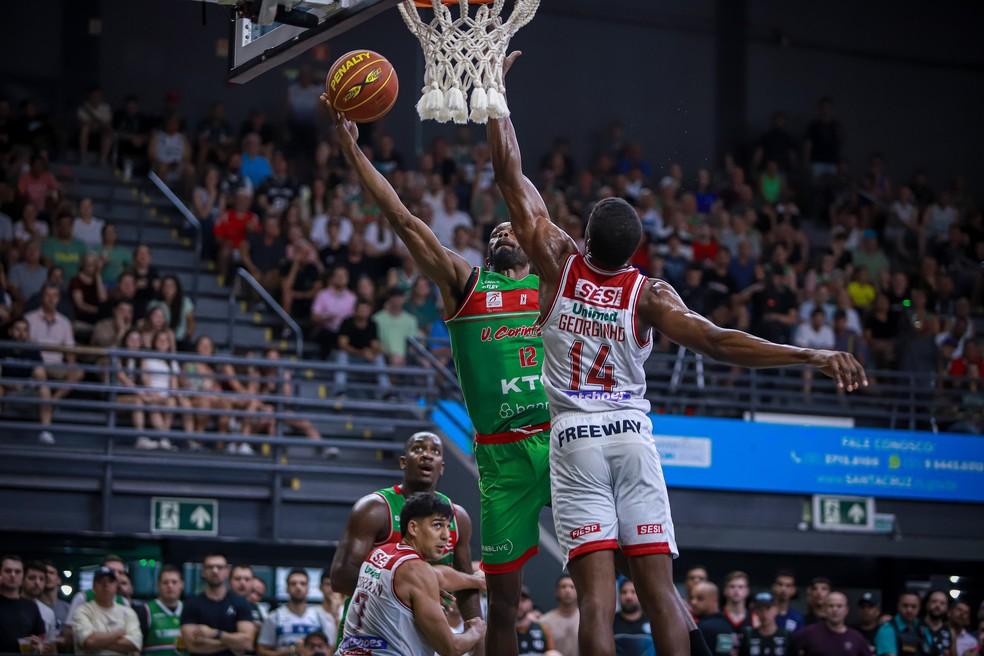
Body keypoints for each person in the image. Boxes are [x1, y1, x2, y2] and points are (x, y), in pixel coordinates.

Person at [487, 52, 865, 656]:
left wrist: (497, 100)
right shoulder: (650, 295)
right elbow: (719, 341)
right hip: (631, 434)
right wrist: (809, 355)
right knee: (660, 593)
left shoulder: (558, 264)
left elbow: (512, 179)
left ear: (585, 237)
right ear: (635, 250)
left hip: (574, 437)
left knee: (596, 603)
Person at [330, 98, 551, 656]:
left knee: (611, 559)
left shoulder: (553, 286)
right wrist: (354, 152)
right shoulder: (467, 283)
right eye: (495, 231)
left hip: (560, 439)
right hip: (501, 454)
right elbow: (404, 220)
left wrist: (501, 106)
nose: (503, 232)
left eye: (513, 228)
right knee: (503, 600)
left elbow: (521, 189)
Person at [329, 433, 482, 645]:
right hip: (368, 636)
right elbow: (340, 578)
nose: (427, 455)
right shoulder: (374, 509)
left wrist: (478, 635)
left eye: (435, 451)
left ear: (442, 467)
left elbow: (465, 585)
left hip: (419, 637)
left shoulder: (458, 518)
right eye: (418, 449)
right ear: (403, 461)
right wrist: (416, 594)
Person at [335, 492, 486, 656]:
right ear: (413, 528)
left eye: (447, 527)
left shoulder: (381, 553)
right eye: (437, 525)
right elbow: (451, 648)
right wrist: (476, 630)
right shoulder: (417, 572)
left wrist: (475, 581)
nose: (446, 536)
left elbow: (440, 575)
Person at [179, 554, 256, 656]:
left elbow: (247, 643)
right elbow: (192, 646)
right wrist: (233, 643)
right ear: (203, 572)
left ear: (227, 571)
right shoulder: (191, 604)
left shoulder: (241, 603)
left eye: (219, 567)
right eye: (210, 567)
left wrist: (215, 633)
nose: (215, 571)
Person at [1, 318, 55, 443]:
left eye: (25, 330)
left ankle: (46, 431)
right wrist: (8, 384)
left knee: (45, 389)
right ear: (10, 331)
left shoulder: (32, 350)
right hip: (5, 386)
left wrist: (27, 384)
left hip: (26, 387)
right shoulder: (2, 348)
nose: (21, 333)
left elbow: (41, 376)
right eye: (17, 329)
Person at [257, 569, 334, 656]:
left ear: (308, 588)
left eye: (303, 584)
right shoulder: (274, 617)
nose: (298, 587)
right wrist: (291, 651)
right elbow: (261, 651)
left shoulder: (320, 617)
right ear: (286, 588)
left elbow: (330, 649)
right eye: (293, 584)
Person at [73, 566, 142, 655]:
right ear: (93, 586)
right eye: (100, 581)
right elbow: (89, 642)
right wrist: (118, 633)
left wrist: (98, 641)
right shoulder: (83, 611)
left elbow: (135, 644)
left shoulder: (128, 612)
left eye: (110, 581)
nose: (106, 585)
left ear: (116, 586)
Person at [789, 591, 868, 655]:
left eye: (839, 606)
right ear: (824, 609)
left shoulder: (856, 638)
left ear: (846, 610)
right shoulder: (809, 633)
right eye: (831, 606)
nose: (835, 610)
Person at [0, 555, 47, 654]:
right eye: (8, 571)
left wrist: (38, 646)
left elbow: (41, 639)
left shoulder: (31, 606)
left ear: (23, 576)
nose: (13, 575)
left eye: (17, 572)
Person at [691, 582, 736, 655]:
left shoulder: (702, 627)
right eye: (692, 598)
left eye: (700, 598)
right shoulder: (726, 624)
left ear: (714, 600)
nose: (693, 602)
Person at [740, 592, 791, 656]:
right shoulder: (748, 637)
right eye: (760, 609)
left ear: (776, 610)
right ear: (755, 612)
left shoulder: (786, 636)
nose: (764, 613)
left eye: (768, 608)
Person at [614, 580, 655, 656]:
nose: (628, 597)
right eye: (624, 592)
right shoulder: (610, 622)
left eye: (633, 592)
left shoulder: (653, 621)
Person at [540, 575, 579, 656]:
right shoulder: (544, 621)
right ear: (556, 592)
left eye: (572, 587)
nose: (568, 590)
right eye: (563, 587)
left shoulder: (587, 620)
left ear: (578, 591)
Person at [20, 561, 57, 643]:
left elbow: (50, 644)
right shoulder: (9, 606)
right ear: (22, 580)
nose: (37, 582)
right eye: (32, 578)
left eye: (41, 579)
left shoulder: (48, 612)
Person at [516, 587, 558, 656]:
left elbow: (552, 652)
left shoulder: (542, 627)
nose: (519, 605)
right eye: (515, 601)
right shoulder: (503, 630)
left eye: (523, 600)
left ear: (531, 603)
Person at [921, 590, 954, 656]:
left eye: (942, 603)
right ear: (927, 604)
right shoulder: (915, 625)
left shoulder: (950, 632)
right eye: (934, 601)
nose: (938, 605)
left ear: (947, 608)